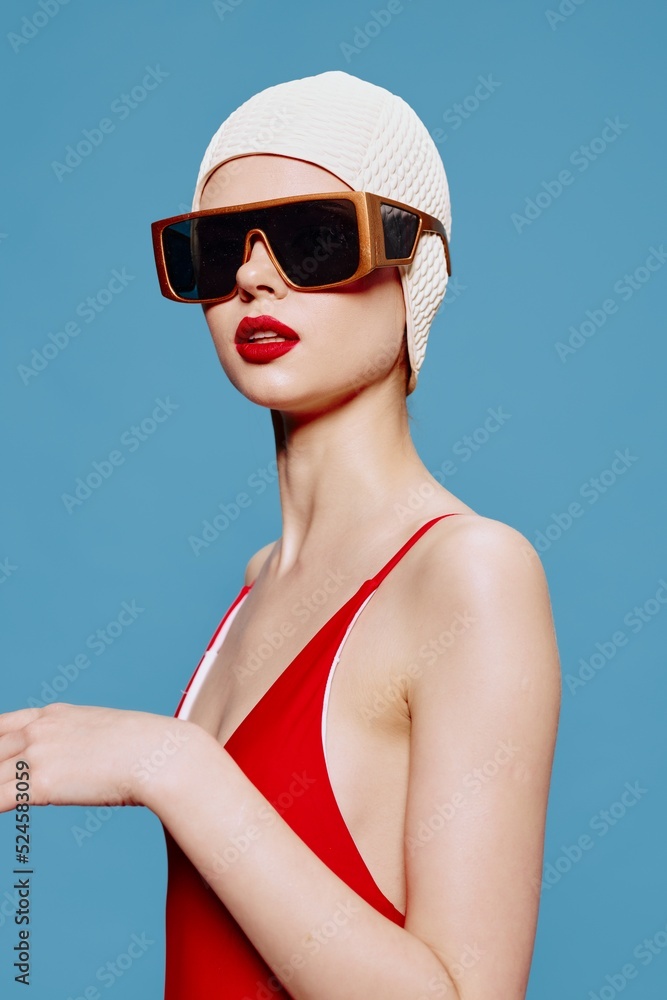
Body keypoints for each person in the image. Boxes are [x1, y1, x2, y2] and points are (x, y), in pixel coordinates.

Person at [0, 71, 561, 999]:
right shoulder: (259, 580)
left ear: (413, 267)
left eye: (312, 240)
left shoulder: (470, 572)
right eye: (218, 250)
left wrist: (170, 764)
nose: (252, 277)